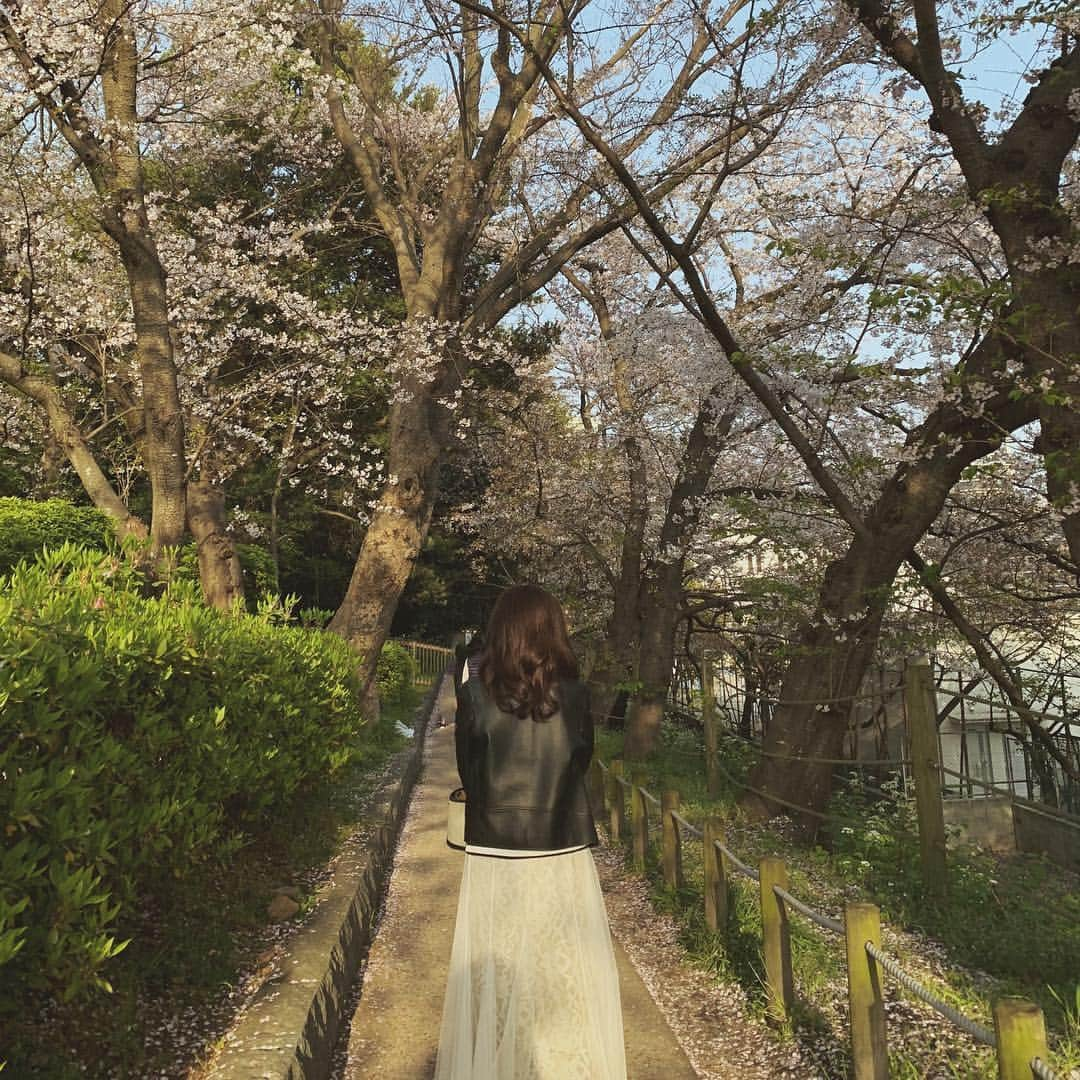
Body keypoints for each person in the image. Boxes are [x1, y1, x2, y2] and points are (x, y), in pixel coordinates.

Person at [434, 584, 627, 1080]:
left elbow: (468, 773)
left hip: (495, 853)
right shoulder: (579, 697)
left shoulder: (473, 695)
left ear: (502, 632)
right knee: (561, 972)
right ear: (555, 632)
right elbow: (581, 762)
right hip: (561, 848)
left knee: (496, 971)